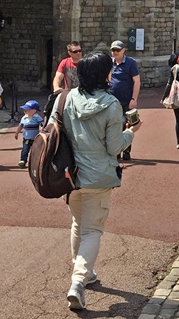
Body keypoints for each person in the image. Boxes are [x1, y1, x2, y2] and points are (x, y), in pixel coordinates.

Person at [59, 51, 142, 311]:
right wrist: (131, 132)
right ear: (104, 75)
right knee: (92, 230)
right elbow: (114, 147)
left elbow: (54, 129)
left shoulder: (67, 98)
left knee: (78, 223)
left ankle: (86, 273)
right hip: (98, 175)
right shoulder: (111, 103)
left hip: (71, 175)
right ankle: (78, 282)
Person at [108, 40, 141, 160]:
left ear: (123, 50)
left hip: (126, 100)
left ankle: (126, 150)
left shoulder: (130, 63)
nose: (115, 52)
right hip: (112, 101)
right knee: (114, 126)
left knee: (127, 125)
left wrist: (134, 99)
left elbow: (136, 81)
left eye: (117, 50)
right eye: (113, 50)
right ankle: (116, 151)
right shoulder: (110, 63)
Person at [49, 41, 82, 118]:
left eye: (80, 51)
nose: (78, 53)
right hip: (69, 94)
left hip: (82, 94)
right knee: (52, 106)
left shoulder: (86, 62)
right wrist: (56, 87)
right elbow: (58, 77)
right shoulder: (65, 62)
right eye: (75, 51)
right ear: (69, 53)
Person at [14, 100, 43, 167]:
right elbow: (20, 126)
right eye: (25, 109)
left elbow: (42, 124)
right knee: (25, 149)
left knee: (35, 150)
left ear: (34, 110)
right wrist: (17, 133)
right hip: (26, 138)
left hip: (35, 138)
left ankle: (36, 162)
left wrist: (42, 129)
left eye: (27, 109)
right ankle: (23, 160)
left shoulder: (37, 117)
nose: (25, 111)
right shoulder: (24, 118)